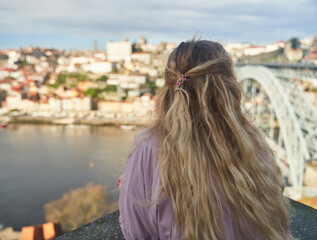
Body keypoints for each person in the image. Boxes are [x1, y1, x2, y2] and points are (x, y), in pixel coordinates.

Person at [118, 39, 294, 240]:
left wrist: (134, 187)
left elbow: (137, 233)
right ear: (229, 88)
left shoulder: (149, 148)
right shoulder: (253, 143)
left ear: (169, 88)